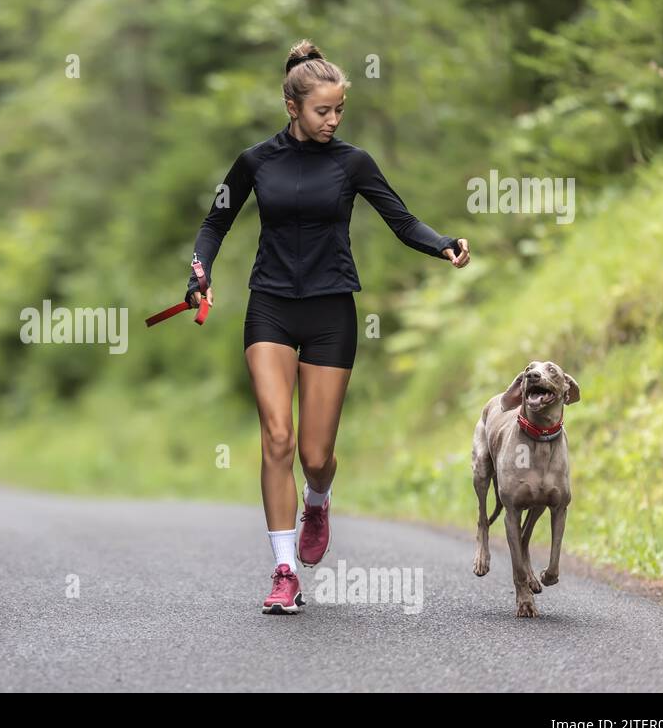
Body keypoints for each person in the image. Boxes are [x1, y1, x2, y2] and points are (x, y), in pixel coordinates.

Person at [184, 39, 471, 614]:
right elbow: (215, 222)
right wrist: (200, 270)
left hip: (331, 311)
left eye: (339, 110)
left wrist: (443, 245)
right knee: (277, 437)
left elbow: (401, 219)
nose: (333, 120)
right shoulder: (254, 162)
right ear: (293, 107)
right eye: (323, 111)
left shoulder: (353, 162)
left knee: (315, 454)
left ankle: (318, 499)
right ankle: (284, 571)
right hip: (269, 305)